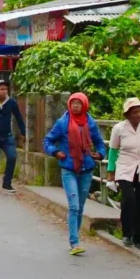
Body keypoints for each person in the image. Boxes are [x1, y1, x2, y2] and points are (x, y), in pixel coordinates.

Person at [44, 93, 107, 256]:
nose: (76, 106)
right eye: (73, 103)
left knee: (80, 207)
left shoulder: (90, 123)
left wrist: (100, 154)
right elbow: (47, 141)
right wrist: (55, 152)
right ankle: (74, 242)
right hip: (69, 168)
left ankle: (76, 237)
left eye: (79, 103)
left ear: (84, 105)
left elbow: (100, 143)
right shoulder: (62, 123)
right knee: (74, 206)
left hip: (87, 169)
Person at [107, 97, 140, 252]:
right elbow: (113, 151)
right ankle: (127, 233)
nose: (138, 115)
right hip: (125, 167)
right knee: (129, 199)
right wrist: (111, 173)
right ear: (127, 114)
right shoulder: (119, 128)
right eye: (134, 112)